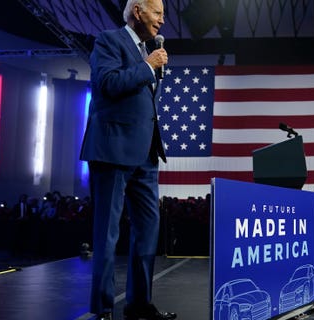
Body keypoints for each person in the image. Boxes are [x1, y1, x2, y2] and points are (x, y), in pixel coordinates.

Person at [79, 0, 173, 319]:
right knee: (107, 232)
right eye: (158, 13)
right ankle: (103, 308)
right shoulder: (109, 40)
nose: (162, 20)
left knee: (148, 228)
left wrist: (149, 65)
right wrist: (147, 66)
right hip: (112, 150)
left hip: (145, 154)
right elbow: (106, 84)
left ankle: (139, 305)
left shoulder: (149, 50)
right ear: (138, 12)